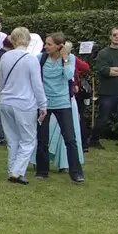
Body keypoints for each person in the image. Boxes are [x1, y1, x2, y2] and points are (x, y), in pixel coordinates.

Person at [0, 27, 45, 184]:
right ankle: (17, 171)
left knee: (13, 139)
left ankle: (13, 170)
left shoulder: (5, 57)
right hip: (24, 104)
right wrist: (43, 104)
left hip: (6, 101)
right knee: (29, 140)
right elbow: (37, 85)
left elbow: (1, 81)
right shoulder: (31, 59)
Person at [35, 33, 85, 183]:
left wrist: (65, 58)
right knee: (42, 138)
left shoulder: (71, 58)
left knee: (70, 139)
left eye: (49, 44)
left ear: (59, 46)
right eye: (46, 43)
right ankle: (42, 171)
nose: (45, 46)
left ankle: (76, 173)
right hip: (44, 104)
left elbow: (68, 75)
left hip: (63, 103)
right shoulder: (40, 58)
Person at [91, 27, 118, 152]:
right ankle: (94, 140)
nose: (116, 37)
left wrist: (114, 69)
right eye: (114, 35)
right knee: (102, 119)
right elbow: (104, 71)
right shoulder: (103, 53)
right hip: (107, 93)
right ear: (110, 37)